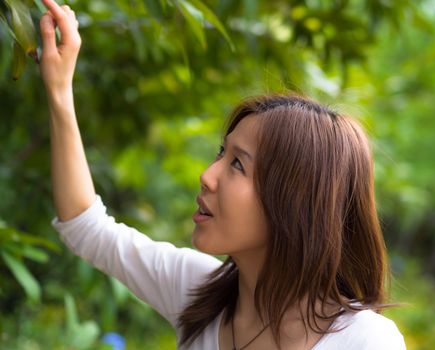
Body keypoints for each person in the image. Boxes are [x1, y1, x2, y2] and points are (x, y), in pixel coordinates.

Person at [39, 0, 406, 349]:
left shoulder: (366, 341)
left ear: (294, 200)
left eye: (237, 164)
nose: (207, 176)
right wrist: (59, 89)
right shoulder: (198, 293)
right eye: (221, 153)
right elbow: (86, 227)